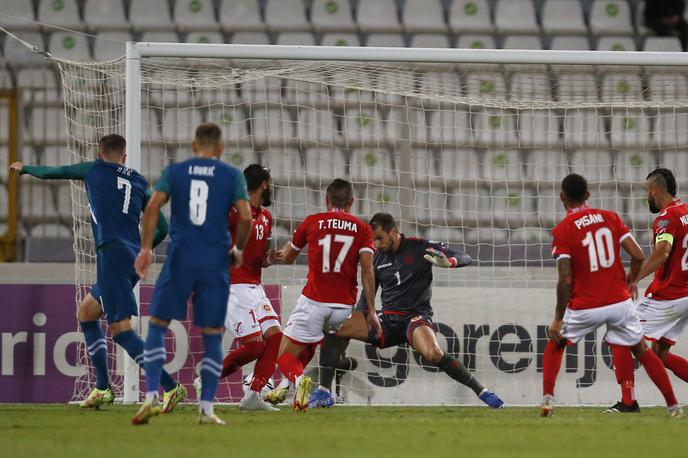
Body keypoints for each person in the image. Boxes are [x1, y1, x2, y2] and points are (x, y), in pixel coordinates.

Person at [10, 134, 186, 411]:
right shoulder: (138, 180)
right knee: (87, 312)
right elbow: (162, 227)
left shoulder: (93, 169)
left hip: (111, 254)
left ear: (99, 152)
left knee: (122, 331)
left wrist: (26, 168)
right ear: (124, 157)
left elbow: (56, 173)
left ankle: (170, 386)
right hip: (130, 257)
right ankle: (103, 388)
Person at [312, 212, 504, 409]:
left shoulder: (420, 247)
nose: (376, 244)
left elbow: (464, 256)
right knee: (335, 325)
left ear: (393, 231)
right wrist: (362, 316)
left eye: (379, 238)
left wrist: (450, 262)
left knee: (433, 353)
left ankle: (483, 392)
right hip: (386, 320)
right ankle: (324, 392)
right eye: (373, 240)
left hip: (415, 319)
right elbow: (368, 293)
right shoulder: (376, 257)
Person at [131, 123, 251, 426]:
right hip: (214, 260)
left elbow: (153, 207)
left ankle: (151, 397)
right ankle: (207, 408)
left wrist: (145, 248)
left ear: (194, 147)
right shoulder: (232, 175)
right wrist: (238, 249)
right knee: (213, 335)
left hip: (180, 257)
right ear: (221, 148)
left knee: (157, 324)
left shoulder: (176, 171)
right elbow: (246, 215)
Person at [540, 173, 682, 418]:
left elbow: (565, 278)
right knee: (648, 351)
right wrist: (631, 279)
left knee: (560, 342)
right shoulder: (611, 218)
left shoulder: (562, 230)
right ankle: (673, 407)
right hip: (628, 301)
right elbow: (637, 254)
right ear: (587, 195)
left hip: (598, 303)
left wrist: (558, 317)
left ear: (562, 197)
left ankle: (551, 400)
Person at [263, 178, 380, 412]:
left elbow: (288, 257)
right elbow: (368, 270)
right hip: (343, 310)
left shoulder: (312, 222)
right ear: (352, 202)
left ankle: (298, 380)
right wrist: (371, 311)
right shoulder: (363, 229)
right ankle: (285, 386)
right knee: (308, 345)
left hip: (314, 302)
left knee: (283, 356)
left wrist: (275, 255)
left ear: (326, 200)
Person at [193, 164, 283, 411]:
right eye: (270, 181)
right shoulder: (231, 209)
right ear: (264, 184)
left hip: (255, 287)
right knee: (255, 346)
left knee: (275, 338)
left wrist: (270, 259)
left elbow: (261, 257)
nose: (272, 186)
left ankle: (252, 396)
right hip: (231, 287)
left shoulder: (266, 216)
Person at [635, 168, 688, 393]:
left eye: (647, 191)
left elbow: (662, 252)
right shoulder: (685, 210)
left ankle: (627, 402)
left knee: (620, 335)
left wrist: (632, 279)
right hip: (685, 295)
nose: (647, 196)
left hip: (668, 296)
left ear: (655, 191)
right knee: (659, 353)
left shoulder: (666, 218)